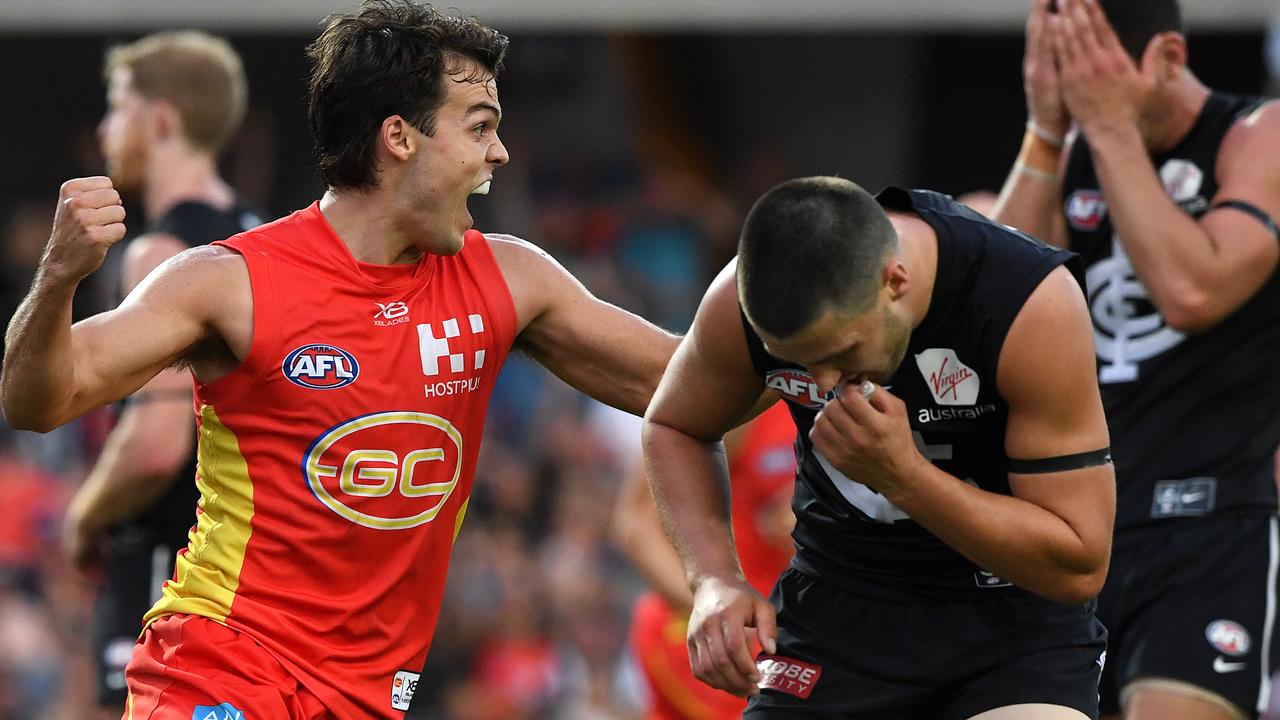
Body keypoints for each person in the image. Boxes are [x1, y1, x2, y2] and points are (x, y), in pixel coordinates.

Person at [0, 2, 678, 718]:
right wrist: (57, 278)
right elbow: (37, 401)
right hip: (222, 669)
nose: (499, 153)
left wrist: (785, 326)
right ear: (399, 139)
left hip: (369, 699)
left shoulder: (511, 281)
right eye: (480, 127)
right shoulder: (230, 280)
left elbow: (693, 381)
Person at [644, 176, 1115, 719]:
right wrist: (713, 580)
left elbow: (1079, 563)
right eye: (796, 360)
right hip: (837, 610)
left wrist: (904, 477)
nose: (822, 385)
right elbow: (675, 425)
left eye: (840, 351)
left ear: (894, 281)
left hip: (1012, 620)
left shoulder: (1027, 300)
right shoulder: (743, 299)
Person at [991, 1, 1280, 718]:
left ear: (1170, 58)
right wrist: (1044, 131)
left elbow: (1190, 290)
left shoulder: (1258, 135)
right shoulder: (1075, 147)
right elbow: (993, 314)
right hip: (1075, 529)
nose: (1083, 95)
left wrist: (1110, 127)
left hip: (1211, 523)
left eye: (1095, 72)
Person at [58, 31, 264, 719]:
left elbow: (155, 448)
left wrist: (83, 518)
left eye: (118, 107)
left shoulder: (162, 254)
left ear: (162, 119)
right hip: (248, 573)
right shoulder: (262, 239)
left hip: (170, 562)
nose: (104, 129)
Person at [613, 401, 795, 720]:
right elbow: (637, 521)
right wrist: (714, 603)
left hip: (795, 633)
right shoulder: (748, 385)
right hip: (726, 635)